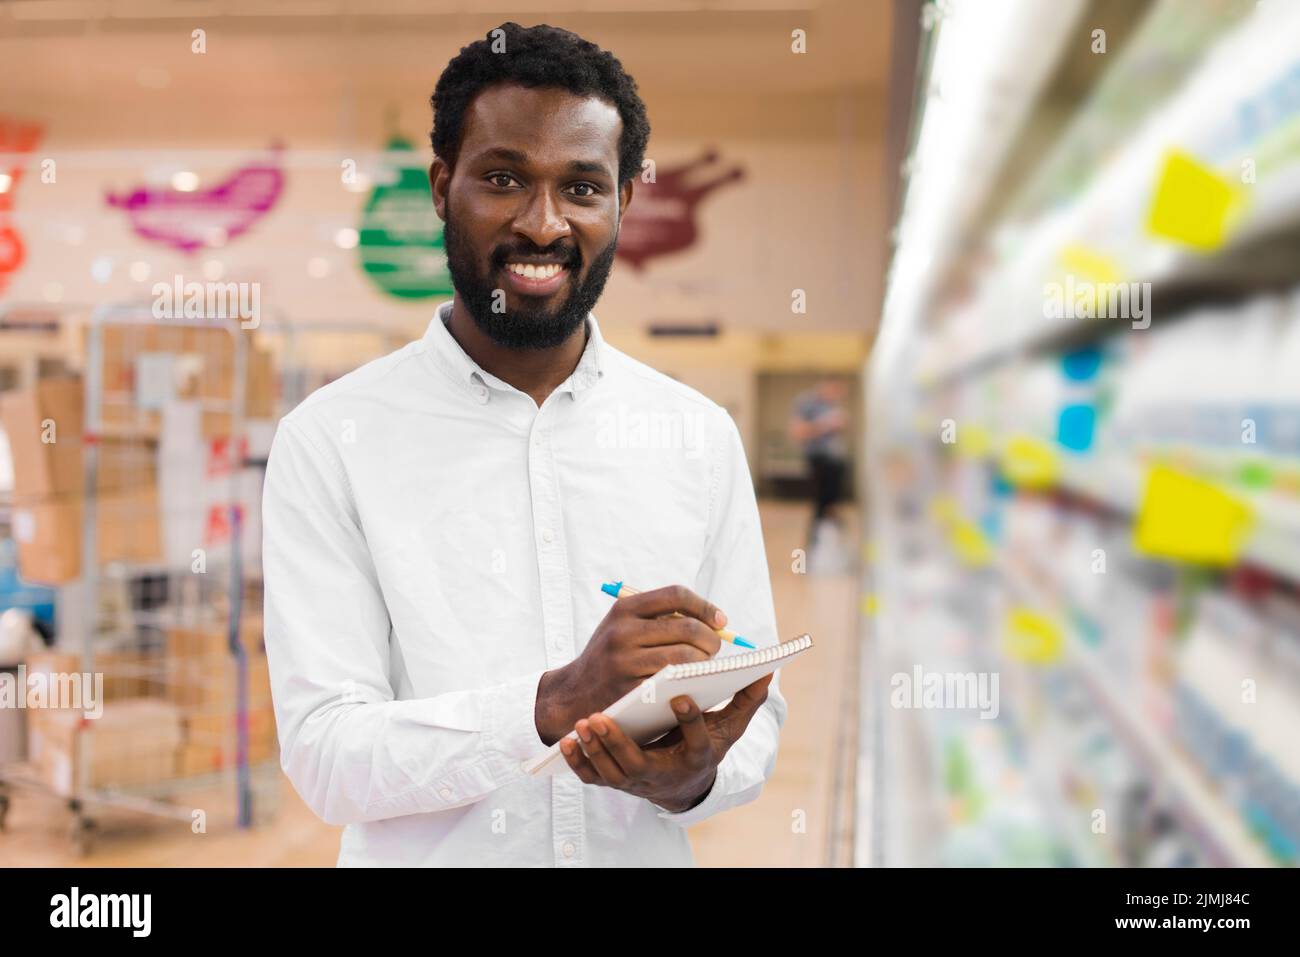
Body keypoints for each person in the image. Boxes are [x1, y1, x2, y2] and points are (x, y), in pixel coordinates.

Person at [261, 22, 787, 867]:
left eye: (582, 187)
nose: (543, 225)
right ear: (442, 188)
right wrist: (551, 704)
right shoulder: (333, 440)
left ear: (621, 202)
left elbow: (758, 704)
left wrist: (693, 776)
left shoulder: (696, 436)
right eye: (504, 178)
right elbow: (325, 755)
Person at [789, 378, 849, 547]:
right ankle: (815, 546)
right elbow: (798, 431)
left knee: (832, 505)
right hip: (819, 460)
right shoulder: (808, 403)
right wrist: (826, 424)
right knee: (821, 505)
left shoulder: (832, 405)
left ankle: (832, 544)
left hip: (835, 461)